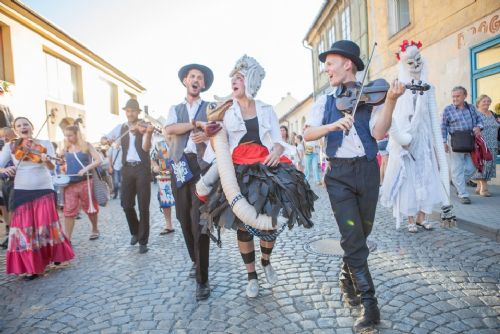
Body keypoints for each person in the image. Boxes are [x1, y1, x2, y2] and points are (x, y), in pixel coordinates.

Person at [304, 40, 405, 332]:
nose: (326, 70)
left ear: (348, 63)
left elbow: (378, 131)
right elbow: (308, 134)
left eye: (330, 64)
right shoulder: (324, 101)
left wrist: (392, 101)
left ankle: (346, 277)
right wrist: (331, 126)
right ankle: (369, 305)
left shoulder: (371, 95)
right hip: (339, 175)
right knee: (352, 235)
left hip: (368, 172)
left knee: (361, 234)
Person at [198, 55, 317, 299]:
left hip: (265, 168)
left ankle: (266, 262)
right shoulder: (225, 110)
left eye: (240, 77)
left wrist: (276, 149)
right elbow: (217, 140)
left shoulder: (265, 108)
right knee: (243, 226)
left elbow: (278, 140)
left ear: (250, 81)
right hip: (238, 171)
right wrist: (207, 135)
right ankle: (251, 276)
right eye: (232, 77)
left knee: (269, 220)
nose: (234, 80)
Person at [380, 40, 450, 232]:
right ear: (404, 64)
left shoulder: (429, 87)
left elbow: (432, 116)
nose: (416, 65)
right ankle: (410, 220)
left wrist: (436, 141)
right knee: (408, 179)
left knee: (427, 176)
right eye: (410, 62)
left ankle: (422, 217)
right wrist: (402, 140)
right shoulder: (401, 87)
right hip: (407, 140)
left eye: (418, 60)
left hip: (425, 141)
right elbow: (397, 116)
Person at [164, 63, 214, 301]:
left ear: (203, 84)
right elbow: (171, 129)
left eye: (200, 77)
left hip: (202, 167)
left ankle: (202, 280)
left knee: (199, 221)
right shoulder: (175, 108)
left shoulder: (210, 107)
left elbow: (218, 130)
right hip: (179, 167)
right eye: (192, 76)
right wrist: (196, 124)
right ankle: (196, 260)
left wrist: (208, 133)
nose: (196, 80)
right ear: (185, 81)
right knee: (184, 219)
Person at [2, 117, 74, 279]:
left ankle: (54, 255)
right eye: (19, 125)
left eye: (26, 124)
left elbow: (52, 167)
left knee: (46, 226)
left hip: (43, 189)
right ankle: (32, 266)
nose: (23, 127)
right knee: (25, 229)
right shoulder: (11, 146)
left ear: (32, 126)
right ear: (15, 130)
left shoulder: (45, 144)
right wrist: (4, 170)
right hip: (22, 190)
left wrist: (46, 160)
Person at [102, 99, 154, 254]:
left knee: (143, 206)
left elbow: (145, 148)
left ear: (138, 112)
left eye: (133, 111)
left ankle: (143, 241)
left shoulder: (144, 126)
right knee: (126, 204)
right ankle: (136, 231)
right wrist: (108, 140)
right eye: (128, 111)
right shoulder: (121, 128)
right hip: (127, 169)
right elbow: (104, 139)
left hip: (142, 168)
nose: (130, 113)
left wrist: (147, 133)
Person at [441, 86, 483, 204]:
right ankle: (463, 194)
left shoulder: (472, 108)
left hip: (470, 140)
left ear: (465, 96)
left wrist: (479, 127)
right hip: (455, 141)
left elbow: (480, 120)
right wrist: (443, 142)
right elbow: (443, 127)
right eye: (453, 96)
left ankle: (456, 182)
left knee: (472, 167)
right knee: (456, 168)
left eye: (457, 96)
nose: (455, 98)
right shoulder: (447, 110)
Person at [62, 125, 102, 241]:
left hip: (86, 182)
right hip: (70, 183)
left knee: (90, 208)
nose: (67, 138)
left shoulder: (86, 145)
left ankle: (95, 229)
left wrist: (85, 169)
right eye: (66, 135)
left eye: (70, 135)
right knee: (68, 210)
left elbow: (99, 160)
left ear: (77, 134)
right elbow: (66, 164)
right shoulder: (66, 148)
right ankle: (67, 238)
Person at [472, 94, 499, 196]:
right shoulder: (476, 114)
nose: (487, 103)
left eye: (488, 101)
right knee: (483, 165)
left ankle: (479, 187)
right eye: (484, 101)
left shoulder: (492, 114)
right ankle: (484, 189)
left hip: (493, 144)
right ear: (478, 103)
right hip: (481, 144)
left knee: (490, 165)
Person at [151, 136, 175, 234]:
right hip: (165, 174)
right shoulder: (160, 144)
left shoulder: (181, 139)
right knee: (164, 200)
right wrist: (155, 166)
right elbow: (152, 158)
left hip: (182, 173)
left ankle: (189, 222)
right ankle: (169, 225)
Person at [0, 127, 16, 249]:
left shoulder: (15, 146)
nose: (4, 137)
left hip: (15, 182)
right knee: (5, 207)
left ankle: (12, 234)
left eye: (7, 135)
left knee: (12, 209)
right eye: (2, 135)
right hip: (4, 181)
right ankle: (10, 231)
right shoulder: (4, 148)